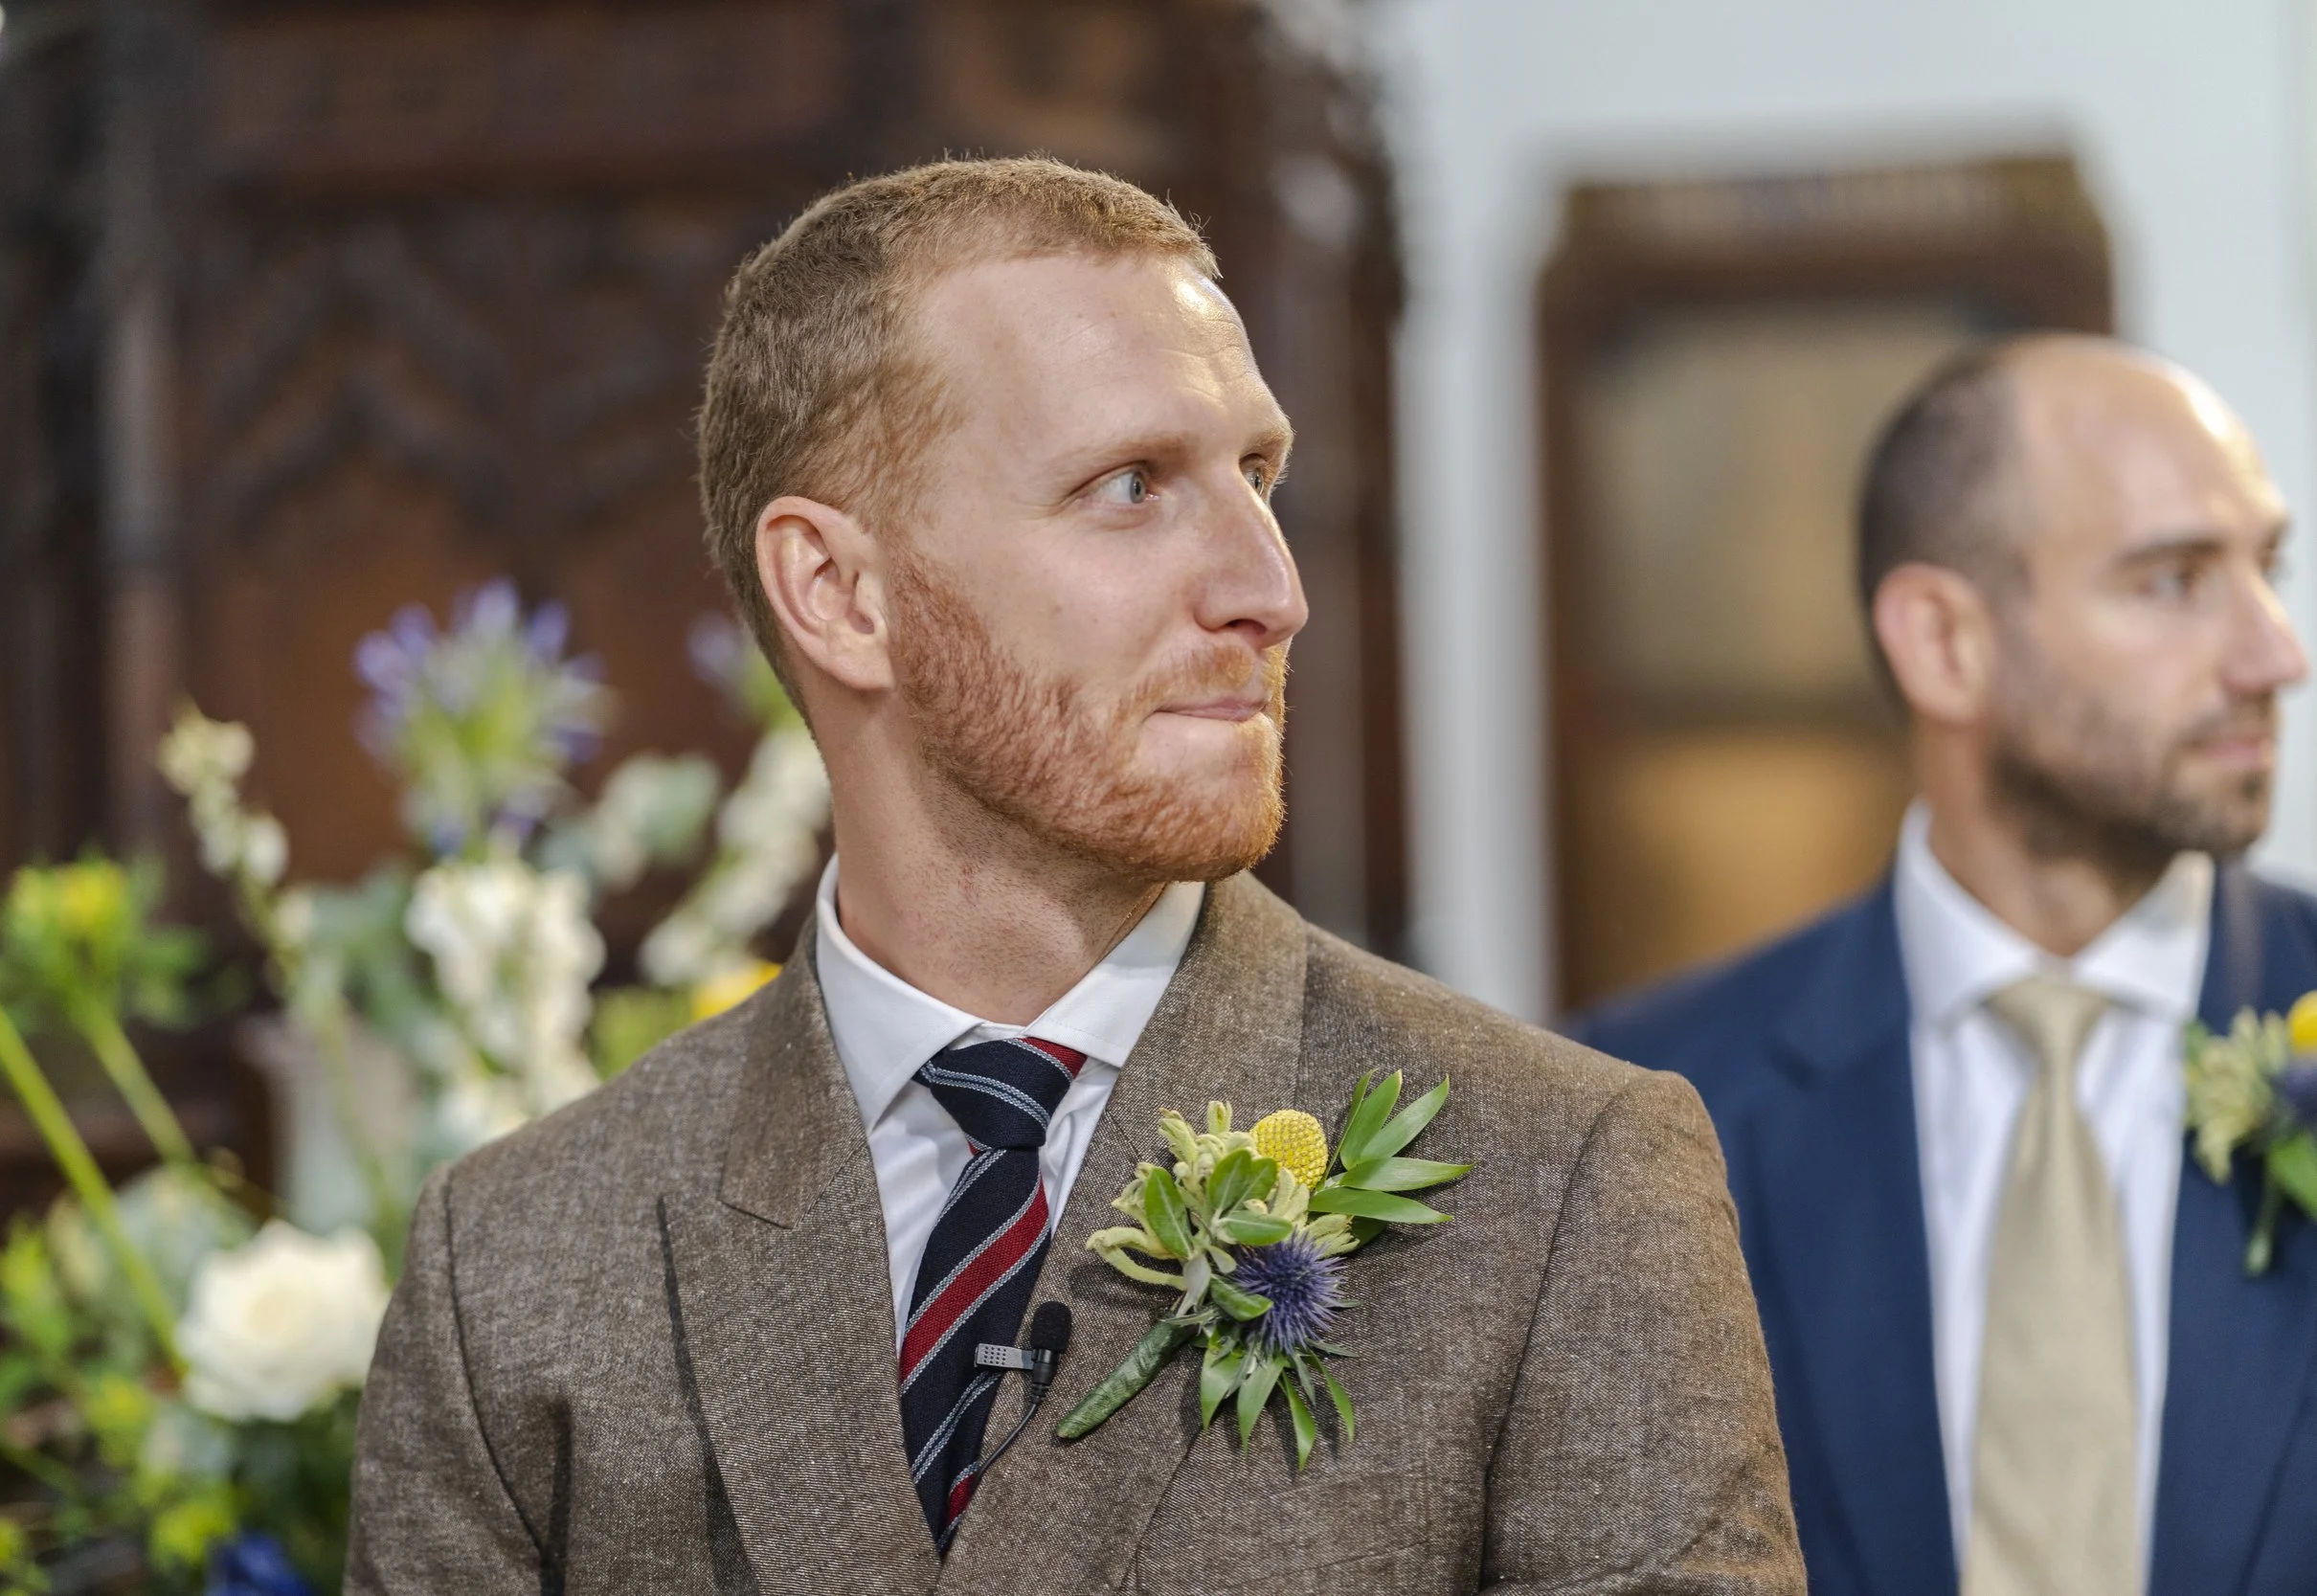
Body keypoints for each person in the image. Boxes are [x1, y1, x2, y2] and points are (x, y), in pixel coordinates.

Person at [345, 157, 1800, 1594]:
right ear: (840, 595)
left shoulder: (1567, 1185)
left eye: (1257, 475)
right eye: (1130, 485)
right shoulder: (519, 1268)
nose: (1271, 588)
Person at [1575, 334, 2317, 1596]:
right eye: (2176, 580)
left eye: (2266, 565)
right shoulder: (1641, 1112)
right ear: (1944, 642)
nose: (2274, 655)